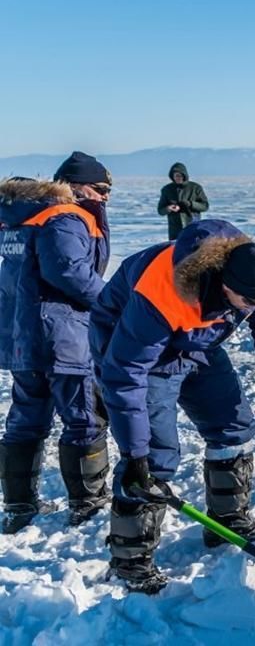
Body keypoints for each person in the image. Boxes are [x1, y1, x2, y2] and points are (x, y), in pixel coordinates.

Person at [90, 219, 255, 592]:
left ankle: (228, 520)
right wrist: (135, 452)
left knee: (234, 426)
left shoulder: (252, 278)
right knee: (154, 454)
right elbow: (126, 372)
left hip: (194, 344)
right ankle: (130, 559)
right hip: (134, 350)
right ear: (225, 283)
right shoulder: (163, 291)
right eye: (250, 303)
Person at [0, 152, 113, 534]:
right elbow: (69, 272)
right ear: (74, 186)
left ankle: (19, 504)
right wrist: (114, 304)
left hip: (23, 338)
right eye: (100, 189)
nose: (104, 198)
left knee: (26, 418)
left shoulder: (22, 218)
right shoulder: (64, 217)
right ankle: (88, 502)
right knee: (83, 416)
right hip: (61, 336)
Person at [157, 162, 209, 241]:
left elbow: (205, 206)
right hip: (175, 230)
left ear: (184, 175)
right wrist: (168, 208)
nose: (177, 178)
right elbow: (160, 210)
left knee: (193, 249)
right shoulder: (167, 189)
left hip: (192, 226)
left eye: (179, 175)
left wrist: (190, 204)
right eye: (175, 176)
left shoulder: (195, 188)